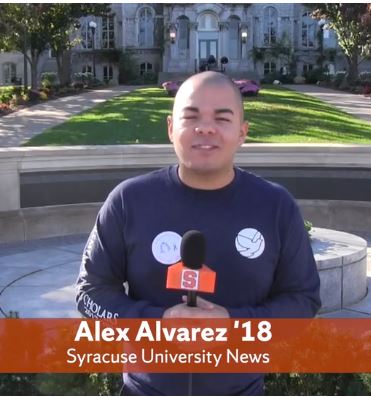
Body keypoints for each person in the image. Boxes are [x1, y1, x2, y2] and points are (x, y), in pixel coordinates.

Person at [76, 71, 321, 395]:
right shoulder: (128, 201)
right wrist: (155, 324)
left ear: (242, 133)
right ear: (170, 128)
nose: (205, 127)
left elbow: (303, 300)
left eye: (222, 118)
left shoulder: (276, 207)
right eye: (191, 116)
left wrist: (235, 327)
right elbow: (89, 292)